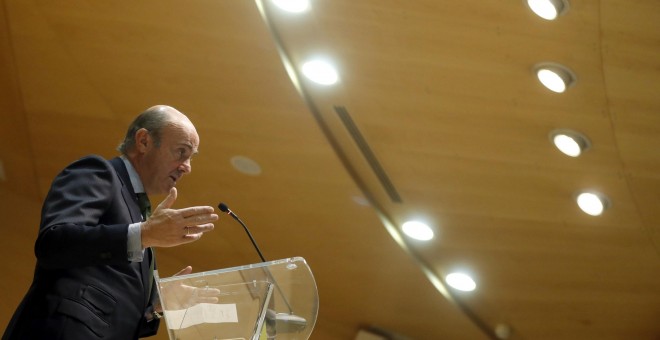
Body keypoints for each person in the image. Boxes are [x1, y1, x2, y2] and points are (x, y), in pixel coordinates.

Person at [3, 105, 219, 340]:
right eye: (181, 152)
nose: (187, 167)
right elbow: (53, 242)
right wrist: (143, 234)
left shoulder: (140, 214)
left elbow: (119, 310)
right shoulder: (99, 172)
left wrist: (156, 306)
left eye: (190, 157)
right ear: (144, 141)